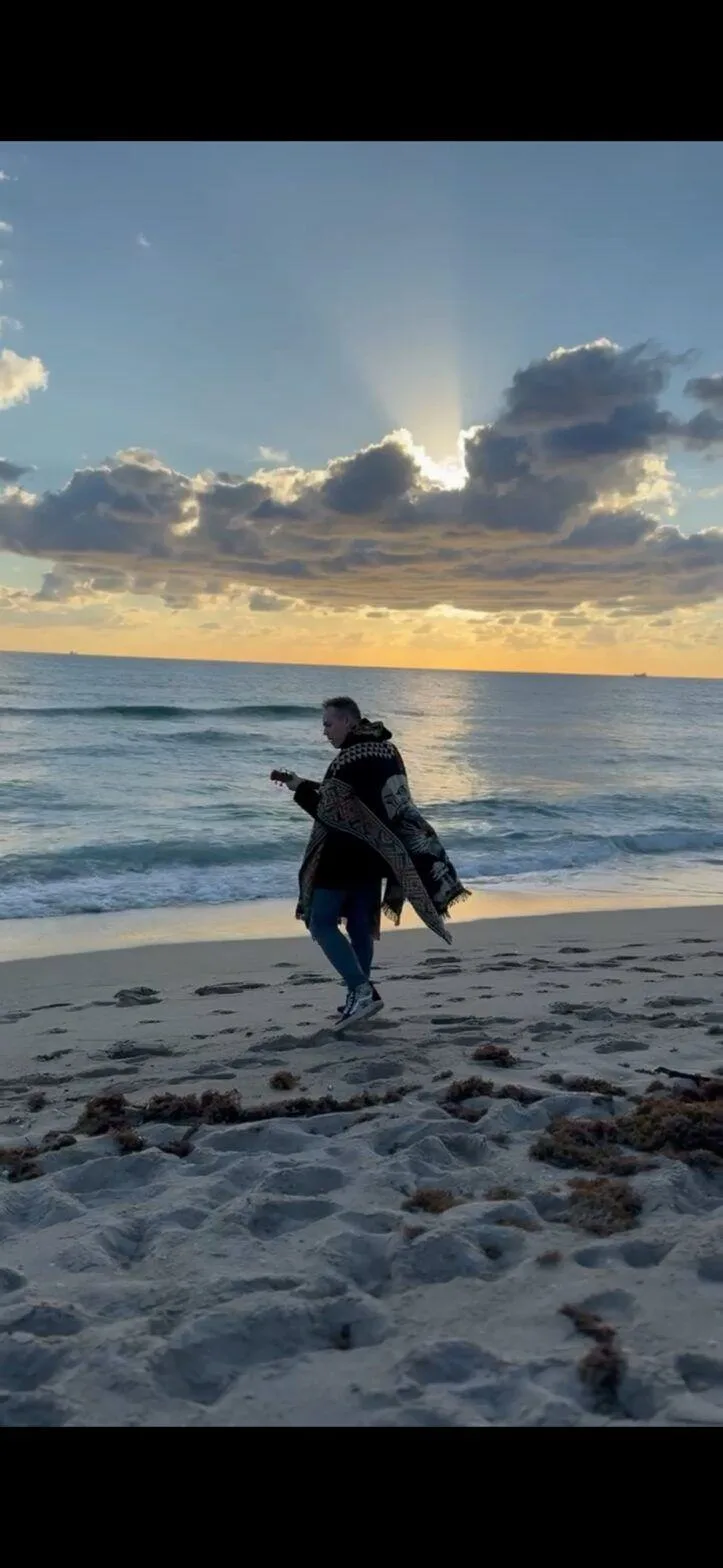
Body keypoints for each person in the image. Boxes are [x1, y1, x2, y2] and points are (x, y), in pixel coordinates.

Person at [272, 696, 469, 1030]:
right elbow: (372, 800)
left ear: (348, 721)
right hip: (375, 854)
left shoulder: (349, 758)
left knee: (320, 922)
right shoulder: (387, 751)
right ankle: (359, 997)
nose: (325, 732)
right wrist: (301, 784)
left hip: (342, 855)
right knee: (359, 926)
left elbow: (330, 809)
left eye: (328, 724)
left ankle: (361, 990)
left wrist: (297, 788)